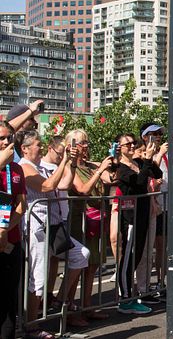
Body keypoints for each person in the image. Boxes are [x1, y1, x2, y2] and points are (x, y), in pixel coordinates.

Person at [18, 131, 90, 334]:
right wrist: (65, 160)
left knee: (81, 254)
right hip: (36, 227)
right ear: (25, 148)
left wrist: (72, 163)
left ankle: (58, 300)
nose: (41, 148)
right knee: (38, 278)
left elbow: (62, 185)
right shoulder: (24, 166)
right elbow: (47, 186)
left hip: (53, 227)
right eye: (38, 145)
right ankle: (32, 325)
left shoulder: (39, 166)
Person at [65, 129, 115, 321]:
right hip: (79, 220)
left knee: (92, 265)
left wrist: (111, 162)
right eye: (81, 143)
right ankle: (70, 312)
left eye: (86, 143)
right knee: (78, 266)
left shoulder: (90, 165)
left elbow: (112, 178)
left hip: (95, 220)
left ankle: (87, 307)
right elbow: (83, 189)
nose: (85, 147)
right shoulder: (71, 167)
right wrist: (100, 170)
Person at [114, 133, 162, 315]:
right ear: (120, 148)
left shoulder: (139, 163)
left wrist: (149, 159)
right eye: (128, 144)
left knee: (137, 255)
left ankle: (129, 295)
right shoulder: (121, 168)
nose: (132, 146)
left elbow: (157, 174)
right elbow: (139, 182)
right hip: (129, 218)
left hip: (142, 215)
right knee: (128, 257)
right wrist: (147, 161)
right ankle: (125, 299)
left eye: (134, 143)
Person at [0, 122, 25, 339]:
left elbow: (20, 204)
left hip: (11, 242)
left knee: (9, 303)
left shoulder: (16, 169)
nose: (6, 142)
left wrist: (5, 228)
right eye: (1, 138)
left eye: (9, 138)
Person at [139, 123, 168, 301]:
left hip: (165, 204)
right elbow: (150, 173)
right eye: (154, 134)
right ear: (145, 137)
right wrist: (159, 155)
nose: (158, 137)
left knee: (162, 247)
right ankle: (145, 286)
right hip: (151, 204)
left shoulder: (164, 155)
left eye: (159, 134)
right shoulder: (145, 155)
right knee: (148, 249)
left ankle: (160, 282)